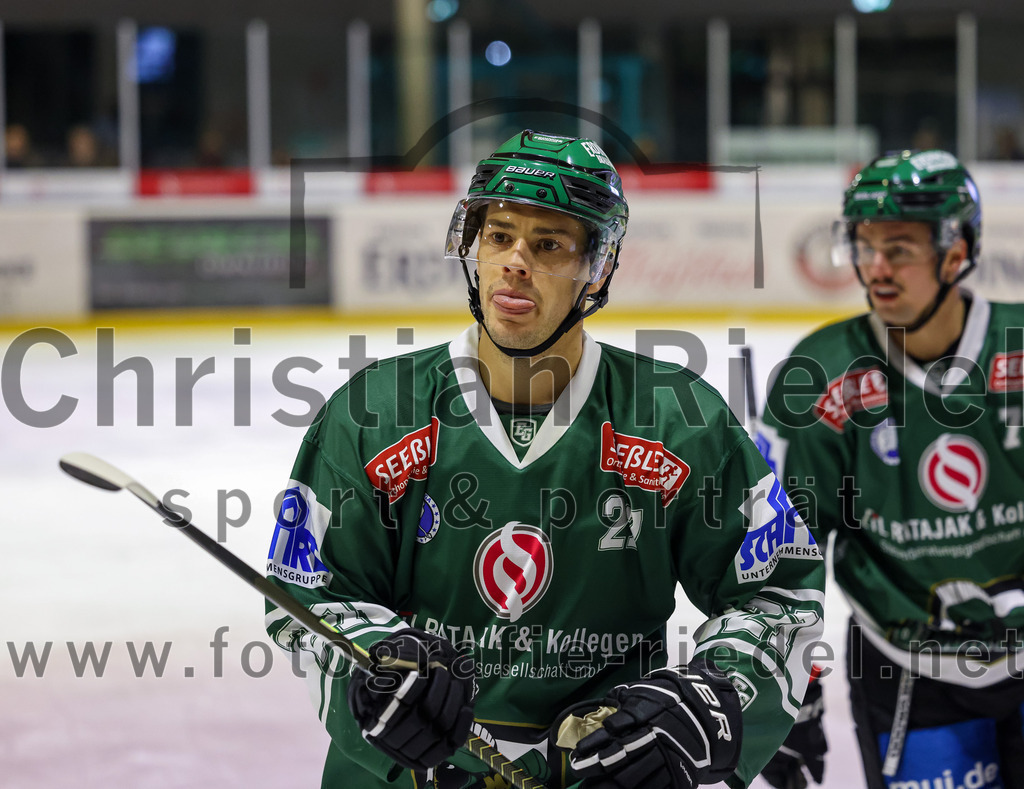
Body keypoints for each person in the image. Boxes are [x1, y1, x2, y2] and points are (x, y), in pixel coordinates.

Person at [266, 129, 825, 789]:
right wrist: (377, 664)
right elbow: (308, 594)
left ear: (600, 267)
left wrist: (710, 701)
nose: (515, 261)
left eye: (550, 244)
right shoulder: (373, 411)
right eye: (499, 236)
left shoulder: (681, 419)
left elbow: (777, 594)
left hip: (608, 771)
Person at [756, 149, 1024, 789]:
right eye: (864, 245)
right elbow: (785, 546)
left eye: (898, 248)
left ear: (956, 252)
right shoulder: (820, 375)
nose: (875, 268)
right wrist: (787, 690)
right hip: (905, 667)